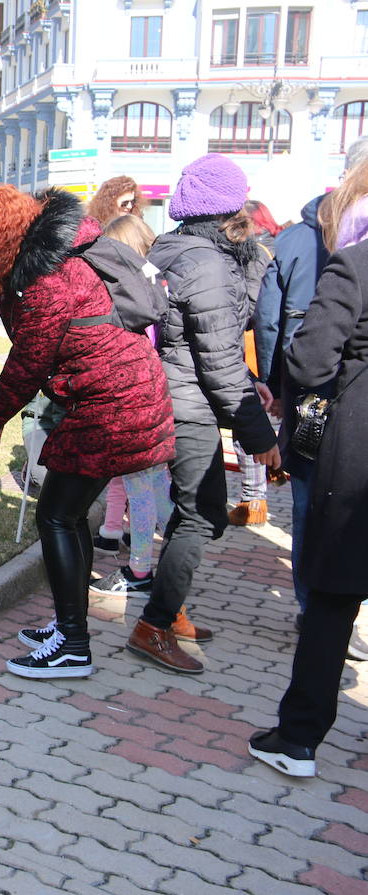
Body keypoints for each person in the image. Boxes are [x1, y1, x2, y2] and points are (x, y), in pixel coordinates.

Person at [0, 185, 174, 679]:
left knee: (58, 517)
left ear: (12, 234)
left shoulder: (48, 279)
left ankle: (72, 645)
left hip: (113, 405)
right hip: (116, 396)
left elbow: (25, 367)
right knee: (66, 514)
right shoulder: (44, 262)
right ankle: (70, 626)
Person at [136, 154, 280, 675]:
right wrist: (259, 436)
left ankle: (170, 610)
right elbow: (219, 360)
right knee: (204, 514)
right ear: (228, 207)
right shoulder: (209, 264)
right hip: (188, 405)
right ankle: (152, 625)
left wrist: (254, 387)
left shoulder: (169, 247)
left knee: (193, 509)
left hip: (168, 394)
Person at [248, 193, 368, 778]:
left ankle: (297, 739)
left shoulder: (354, 264)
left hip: (348, 443)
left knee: (329, 592)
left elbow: (311, 364)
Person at [253, 137, 368, 645]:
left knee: (307, 499)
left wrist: (279, 388)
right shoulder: (306, 241)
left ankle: (312, 604)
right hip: (324, 397)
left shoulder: (298, 240)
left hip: (316, 398)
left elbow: (274, 324)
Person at [88, 214, 174, 595]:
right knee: (156, 488)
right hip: (157, 405)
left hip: (137, 408)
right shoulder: (158, 287)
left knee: (143, 493)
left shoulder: (134, 299)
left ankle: (141, 571)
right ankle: (176, 556)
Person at [228, 201, 281, 526]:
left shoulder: (252, 253)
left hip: (248, 347)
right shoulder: (273, 250)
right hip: (262, 350)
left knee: (246, 426)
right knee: (259, 422)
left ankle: (254, 500)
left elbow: (253, 309)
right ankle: (259, 493)